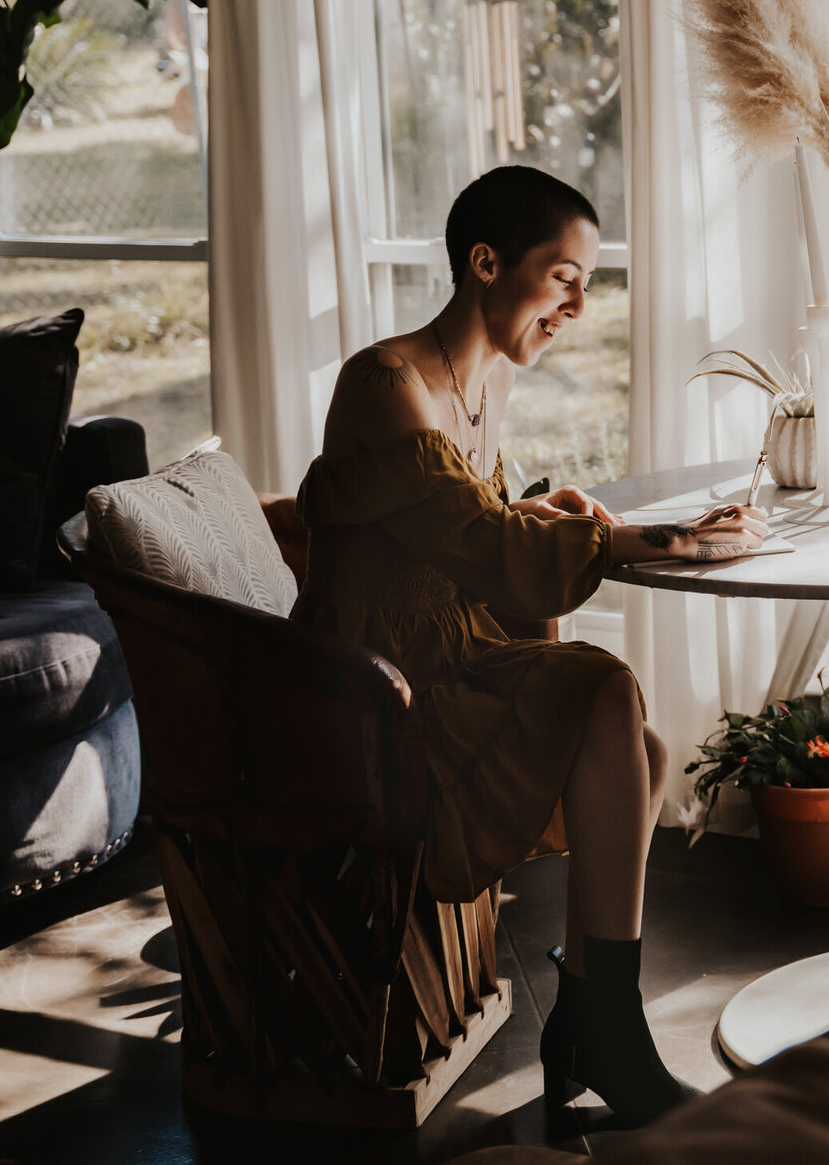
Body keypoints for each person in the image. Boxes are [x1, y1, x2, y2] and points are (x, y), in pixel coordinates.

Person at [291, 165, 767, 1127]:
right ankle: (610, 1031)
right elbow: (491, 557)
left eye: (584, 285)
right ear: (484, 262)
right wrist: (661, 537)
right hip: (373, 696)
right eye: (562, 278)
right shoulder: (384, 380)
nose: (578, 307)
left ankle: (588, 1020)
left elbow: (460, 533)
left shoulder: (483, 383)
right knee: (603, 689)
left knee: (643, 751)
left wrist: (528, 511)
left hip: (445, 660)